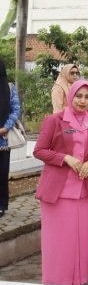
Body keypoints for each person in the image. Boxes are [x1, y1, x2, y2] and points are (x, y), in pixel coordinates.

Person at [34, 80, 88, 285]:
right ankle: (57, 281)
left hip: (84, 190)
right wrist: (65, 158)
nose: (82, 101)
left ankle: (79, 280)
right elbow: (39, 150)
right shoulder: (55, 120)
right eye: (79, 96)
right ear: (71, 96)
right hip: (58, 191)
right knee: (59, 239)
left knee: (82, 238)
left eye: (87, 97)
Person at [0, 59, 22, 217]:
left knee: (1, 173)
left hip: (3, 139)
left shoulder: (9, 88)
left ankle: (1, 204)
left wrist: (5, 128)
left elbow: (15, 110)